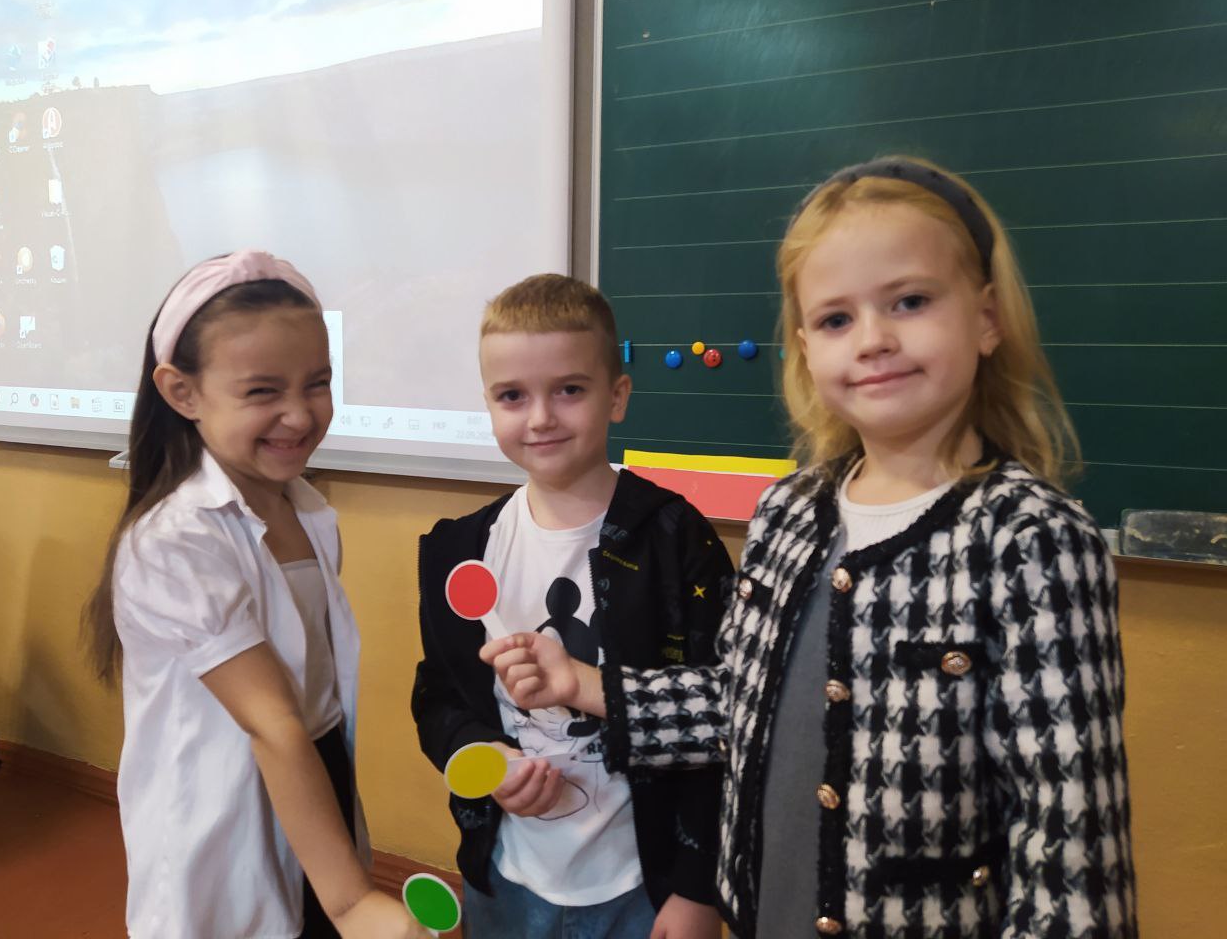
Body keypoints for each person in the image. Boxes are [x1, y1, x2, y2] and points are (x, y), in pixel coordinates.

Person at [483, 159, 1138, 938]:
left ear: (987, 318)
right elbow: (739, 705)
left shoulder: (1031, 540)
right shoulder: (791, 511)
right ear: (803, 347)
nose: (874, 340)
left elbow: (1071, 851)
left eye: (911, 301)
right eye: (835, 320)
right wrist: (583, 683)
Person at [82, 250, 427, 938]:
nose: (298, 415)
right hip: (224, 802)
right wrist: (351, 900)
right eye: (263, 391)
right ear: (182, 393)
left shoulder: (303, 507)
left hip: (312, 770)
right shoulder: (177, 538)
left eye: (317, 383)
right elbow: (271, 722)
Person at [412, 274, 730, 938]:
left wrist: (698, 889)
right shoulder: (459, 551)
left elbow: (722, 720)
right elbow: (437, 697)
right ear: (489, 403)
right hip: (506, 875)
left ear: (617, 396)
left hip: (642, 885)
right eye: (512, 395)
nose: (540, 418)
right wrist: (482, 755)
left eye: (569, 390)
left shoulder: (677, 541)